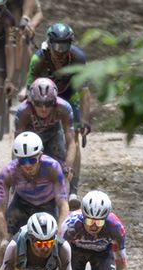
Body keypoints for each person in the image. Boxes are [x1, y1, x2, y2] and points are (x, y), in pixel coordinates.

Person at [26, 22, 91, 197]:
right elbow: (30, 91)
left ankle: (73, 190)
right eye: (56, 46)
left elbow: (85, 92)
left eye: (65, 46)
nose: (60, 52)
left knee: (74, 140)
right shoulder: (38, 58)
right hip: (43, 96)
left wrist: (85, 120)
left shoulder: (78, 58)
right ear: (49, 44)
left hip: (70, 95)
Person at [0, 130, 69, 262]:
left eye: (32, 160)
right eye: (23, 161)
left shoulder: (52, 167)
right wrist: (4, 237)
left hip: (47, 205)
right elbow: (0, 211)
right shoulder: (8, 172)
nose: (28, 165)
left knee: (58, 246)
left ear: (40, 156)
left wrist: (59, 233)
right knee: (4, 246)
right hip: (21, 204)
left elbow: (63, 205)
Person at [13, 78, 76, 179]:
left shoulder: (64, 108)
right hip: (30, 136)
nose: (43, 109)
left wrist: (68, 167)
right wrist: (17, 171)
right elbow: (17, 144)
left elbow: (71, 142)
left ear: (55, 101)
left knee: (62, 168)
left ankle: (71, 191)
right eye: (38, 103)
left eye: (48, 103)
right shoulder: (23, 111)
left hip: (53, 134)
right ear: (31, 101)